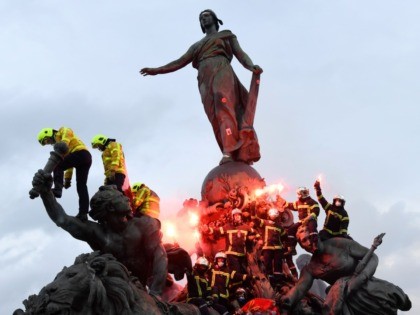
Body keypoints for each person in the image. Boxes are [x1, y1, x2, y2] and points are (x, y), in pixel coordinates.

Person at [140, 9, 263, 165]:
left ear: (215, 19)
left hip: (221, 69)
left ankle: (229, 150)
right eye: (201, 18)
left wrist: (251, 66)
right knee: (214, 115)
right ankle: (228, 148)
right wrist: (157, 70)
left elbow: (240, 53)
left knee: (222, 103)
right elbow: (179, 62)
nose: (203, 19)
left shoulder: (226, 35)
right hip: (204, 76)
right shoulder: (197, 46)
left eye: (206, 16)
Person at [31, 169, 168, 296]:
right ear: (110, 207)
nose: (127, 198)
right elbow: (62, 219)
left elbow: (160, 257)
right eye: (120, 197)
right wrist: (46, 192)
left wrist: (155, 294)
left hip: (150, 288)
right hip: (120, 291)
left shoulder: (144, 224)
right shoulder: (98, 233)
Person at [280, 225, 412, 314]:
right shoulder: (310, 268)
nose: (308, 242)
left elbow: (372, 257)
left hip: (365, 284)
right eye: (303, 241)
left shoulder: (339, 244)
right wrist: (287, 300)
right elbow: (299, 289)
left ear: (316, 235)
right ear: (301, 246)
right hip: (342, 299)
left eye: (310, 237)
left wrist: (361, 278)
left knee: (393, 300)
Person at [37, 127, 92, 221]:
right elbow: (68, 163)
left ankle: (58, 190)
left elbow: (68, 131)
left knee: (57, 165)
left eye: (47, 140)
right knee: (81, 186)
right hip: (86, 157)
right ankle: (83, 213)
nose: (49, 143)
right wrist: (67, 179)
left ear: (49, 133)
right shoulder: (63, 148)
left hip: (80, 153)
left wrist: (64, 143)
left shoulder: (62, 131)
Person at [201, 208, 257, 274]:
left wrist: (255, 237)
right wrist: (208, 229)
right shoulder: (227, 227)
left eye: (239, 215)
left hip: (242, 254)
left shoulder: (245, 227)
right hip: (231, 254)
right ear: (232, 217)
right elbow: (217, 231)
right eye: (235, 215)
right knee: (236, 273)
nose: (237, 217)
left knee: (244, 272)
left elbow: (255, 232)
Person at [278, 187, 320, 251]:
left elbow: (316, 212)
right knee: (291, 230)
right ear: (299, 194)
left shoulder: (312, 202)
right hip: (301, 222)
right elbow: (290, 205)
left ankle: (315, 244)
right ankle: (291, 247)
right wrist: (282, 201)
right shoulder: (298, 202)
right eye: (304, 192)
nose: (306, 193)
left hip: (311, 220)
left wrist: (308, 218)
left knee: (312, 228)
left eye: (305, 192)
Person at [252, 208, 288, 280]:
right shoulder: (265, 222)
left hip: (278, 248)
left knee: (278, 263)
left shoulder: (279, 226)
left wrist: (286, 245)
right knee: (268, 263)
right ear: (269, 215)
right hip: (267, 247)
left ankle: (278, 278)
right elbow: (256, 220)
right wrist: (252, 208)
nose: (273, 217)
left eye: (274, 215)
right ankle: (270, 277)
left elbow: (284, 236)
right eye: (272, 215)